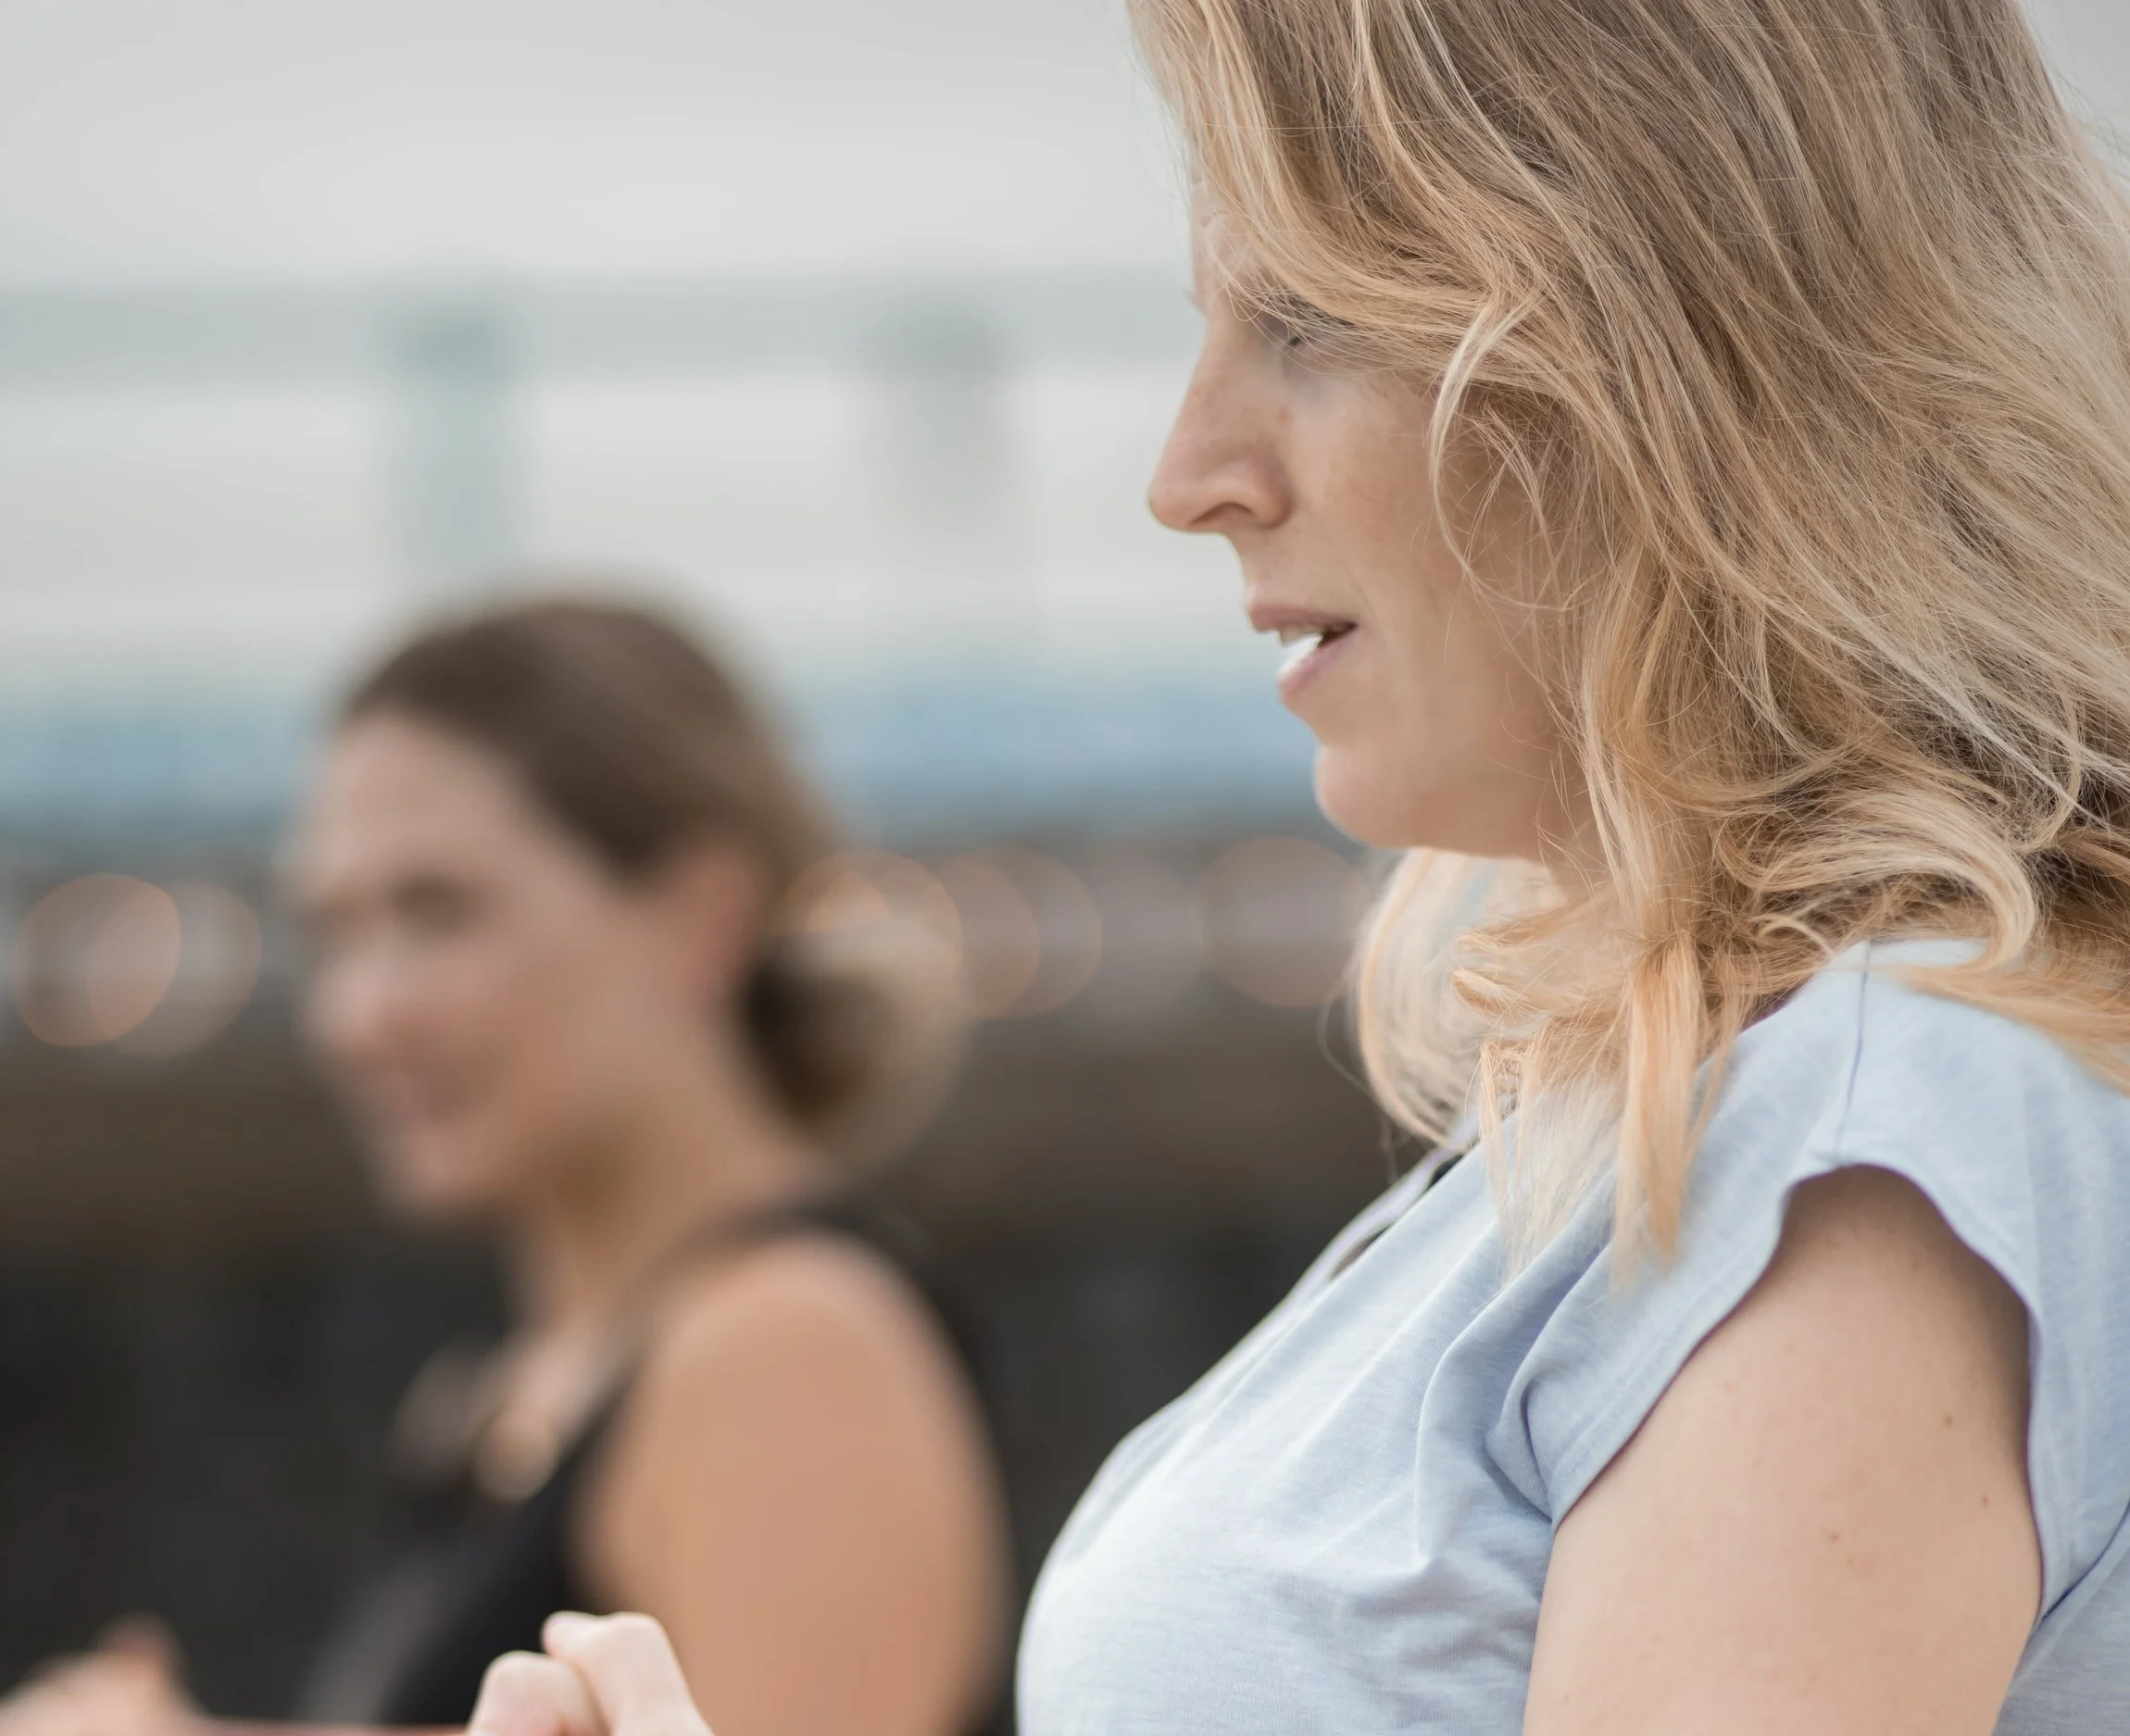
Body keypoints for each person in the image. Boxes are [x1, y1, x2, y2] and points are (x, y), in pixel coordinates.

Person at [469, 1, 2130, 1732]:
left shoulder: (1880, 1122)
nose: (1188, 477)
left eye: (1317, 322)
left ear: (1676, 346)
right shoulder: (1729, 1111)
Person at [0, 597, 1010, 1736]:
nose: (361, 1014)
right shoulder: (485, 1401)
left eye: (438, 912)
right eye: (335, 934)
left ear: (700, 918)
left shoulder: (792, 1341)